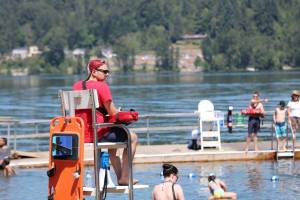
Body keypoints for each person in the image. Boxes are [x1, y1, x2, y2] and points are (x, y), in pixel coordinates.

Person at [73, 58, 138, 185]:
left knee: (112, 143)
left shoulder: (76, 86)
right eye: (105, 71)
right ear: (93, 71)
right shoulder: (102, 86)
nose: (107, 74)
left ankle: (121, 178)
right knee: (133, 137)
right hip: (98, 133)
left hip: (80, 134)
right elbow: (114, 113)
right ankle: (125, 177)